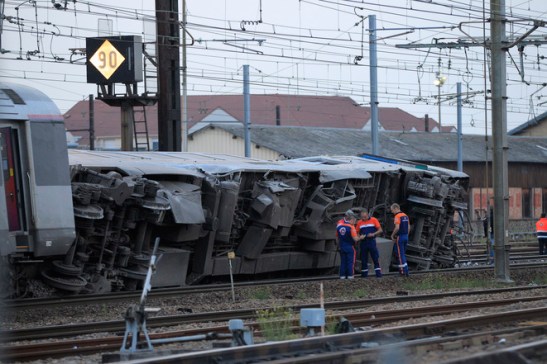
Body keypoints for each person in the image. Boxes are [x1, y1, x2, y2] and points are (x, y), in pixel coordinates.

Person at [336, 209, 363, 279]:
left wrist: (338, 245)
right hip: (349, 247)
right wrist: (361, 237)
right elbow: (355, 239)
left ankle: (342, 276)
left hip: (342, 246)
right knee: (350, 262)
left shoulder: (339, 224)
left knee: (343, 262)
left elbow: (337, 236)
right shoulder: (351, 227)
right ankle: (350, 276)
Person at [356, 209, 383, 278]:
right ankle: (364, 275)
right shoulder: (359, 222)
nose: (363, 218)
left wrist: (373, 234)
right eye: (362, 217)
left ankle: (378, 274)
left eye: (364, 217)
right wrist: (359, 236)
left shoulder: (374, 220)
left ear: (368, 215)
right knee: (363, 258)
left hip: (371, 241)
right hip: (363, 242)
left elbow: (380, 230)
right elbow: (357, 232)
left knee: (375, 257)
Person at [390, 203, 410, 276]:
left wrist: (392, 235)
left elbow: (397, 227)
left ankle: (402, 272)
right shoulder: (405, 216)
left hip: (400, 237)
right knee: (403, 254)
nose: (392, 212)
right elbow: (408, 227)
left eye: (392, 210)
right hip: (406, 236)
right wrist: (407, 235)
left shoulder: (397, 216)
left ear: (396, 208)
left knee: (400, 254)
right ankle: (406, 270)